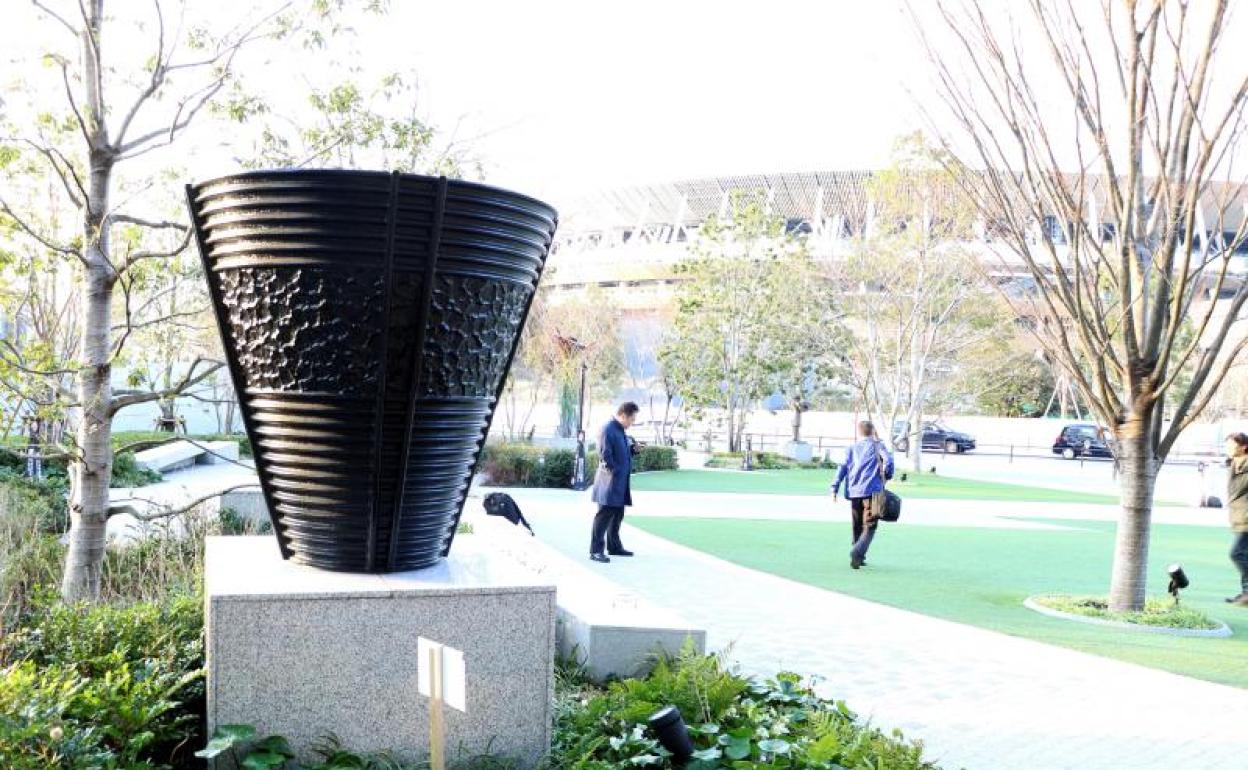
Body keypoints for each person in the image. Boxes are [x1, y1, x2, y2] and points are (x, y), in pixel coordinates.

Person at [832, 420, 894, 569]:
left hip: (854, 491)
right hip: (874, 491)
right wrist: (887, 475)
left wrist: (834, 488)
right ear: (872, 431)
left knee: (857, 524)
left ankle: (858, 555)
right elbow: (889, 461)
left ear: (859, 432)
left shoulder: (851, 448)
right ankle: (857, 552)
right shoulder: (879, 445)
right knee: (870, 526)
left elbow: (842, 468)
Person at [589, 402, 641, 563]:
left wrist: (633, 450)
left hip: (619, 482)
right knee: (604, 516)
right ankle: (596, 551)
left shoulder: (620, 430)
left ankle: (614, 547)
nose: (632, 423)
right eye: (632, 419)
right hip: (609, 482)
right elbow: (604, 455)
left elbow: (621, 452)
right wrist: (615, 471)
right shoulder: (608, 429)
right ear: (623, 415)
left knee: (617, 514)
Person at [1224, 432, 1248, 606]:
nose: (1228, 448)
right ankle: (1245, 592)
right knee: (1244, 555)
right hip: (1239, 518)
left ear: (1243, 447)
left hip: (1247, 519)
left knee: (1237, 554)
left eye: (1231, 445)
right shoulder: (1233, 464)